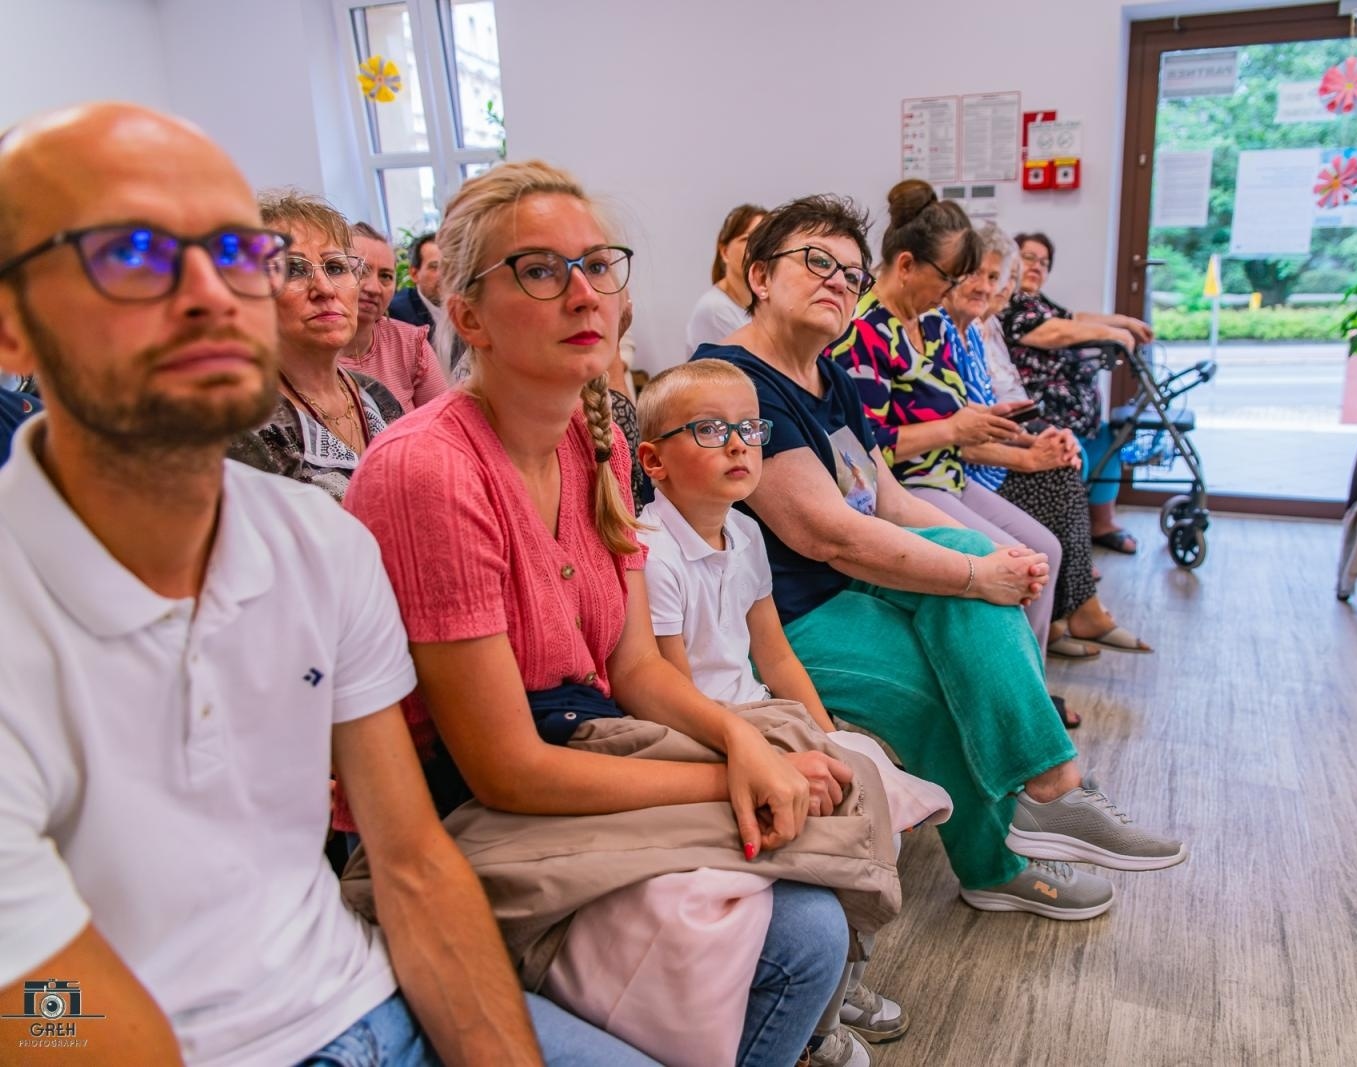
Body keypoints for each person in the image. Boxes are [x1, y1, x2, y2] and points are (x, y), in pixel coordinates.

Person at [0, 101, 651, 1067]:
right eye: (131, 252)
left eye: (234, 251)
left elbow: (413, 863)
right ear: (12, 331)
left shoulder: (316, 543)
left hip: (357, 990)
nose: (210, 292)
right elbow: (39, 1009)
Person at [343, 160, 868, 1067]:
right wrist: (729, 777)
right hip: (463, 806)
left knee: (824, 827)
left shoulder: (600, 439)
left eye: (598, 264)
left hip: (583, 738)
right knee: (801, 920)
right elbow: (504, 768)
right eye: (541, 271)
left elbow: (633, 670)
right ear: (466, 316)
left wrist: (742, 741)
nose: (584, 292)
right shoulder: (428, 468)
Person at [695, 194, 1188, 922]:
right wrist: (974, 568)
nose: (838, 281)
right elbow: (826, 533)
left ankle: (1044, 800)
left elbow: (886, 498)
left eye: (850, 274)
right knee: (941, 671)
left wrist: (999, 556)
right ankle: (1019, 837)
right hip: (779, 617)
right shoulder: (732, 379)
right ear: (761, 276)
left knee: (978, 581)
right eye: (817, 263)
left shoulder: (823, 374)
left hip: (849, 587)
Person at [635, 360, 920, 1066]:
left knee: (879, 793)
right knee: (835, 828)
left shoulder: (747, 533)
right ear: (654, 461)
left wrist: (826, 731)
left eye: (749, 429)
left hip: (760, 710)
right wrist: (775, 749)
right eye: (709, 429)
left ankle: (842, 982)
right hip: (701, 730)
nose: (738, 444)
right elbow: (672, 691)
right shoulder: (654, 550)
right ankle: (816, 1026)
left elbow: (777, 655)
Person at [830, 180, 1070, 660]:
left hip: (950, 475)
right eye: (949, 278)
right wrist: (955, 429)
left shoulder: (935, 324)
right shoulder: (865, 333)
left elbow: (954, 410)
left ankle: (1031, 684)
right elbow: (863, 446)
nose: (955, 290)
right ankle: (1007, 688)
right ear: (905, 266)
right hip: (906, 485)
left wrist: (989, 422)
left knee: (1047, 551)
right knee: (1019, 566)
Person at [942, 223, 1151, 657]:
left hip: (1015, 431)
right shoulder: (968, 324)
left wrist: (1039, 441)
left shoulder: (990, 323)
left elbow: (1070, 321)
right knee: (1056, 479)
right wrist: (1028, 453)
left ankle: (1067, 614)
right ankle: (1072, 615)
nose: (996, 288)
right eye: (987, 277)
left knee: (1062, 465)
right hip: (979, 460)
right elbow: (960, 431)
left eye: (1001, 280)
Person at [227, 192, 404, 501]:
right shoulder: (246, 422)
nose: (324, 289)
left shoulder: (376, 395)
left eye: (335, 267)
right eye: (293, 270)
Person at [1003, 231, 1155, 554]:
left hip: (1076, 416)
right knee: (1072, 455)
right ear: (1011, 260)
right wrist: (1112, 333)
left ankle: (1102, 524)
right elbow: (1058, 331)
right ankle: (1072, 553)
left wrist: (1126, 323)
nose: (1037, 267)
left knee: (1108, 440)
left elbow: (1076, 318)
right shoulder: (1012, 305)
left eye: (1044, 263)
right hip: (1041, 416)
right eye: (1029, 257)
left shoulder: (1040, 304)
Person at [339, 221, 449, 411]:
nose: (374, 288)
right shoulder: (306, 353)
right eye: (361, 271)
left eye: (386, 276)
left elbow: (444, 420)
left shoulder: (409, 344)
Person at [685, 203, 765, 354]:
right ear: (725, 252)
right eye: (747, 239)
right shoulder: (714, 309)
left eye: (764, 240)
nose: (758, 247)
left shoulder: (764, 304)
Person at [389, 230, 442, 340]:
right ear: (414, 274)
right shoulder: (399, 314)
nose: (445, 274)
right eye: (434, 267)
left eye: (449, 265)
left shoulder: (465, 303)